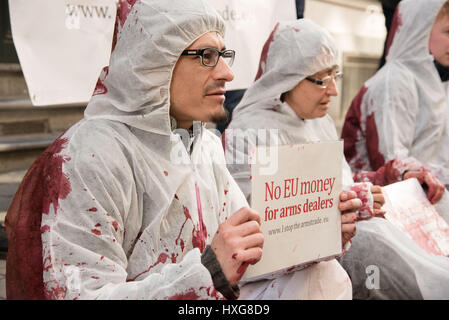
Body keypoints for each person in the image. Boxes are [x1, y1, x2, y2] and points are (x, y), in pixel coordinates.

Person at [4, 0, 356, 300]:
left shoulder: (202, 143)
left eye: (223, 55)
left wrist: (316, 233)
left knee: (324, 276)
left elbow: (246, 250)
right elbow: (78, 293)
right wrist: (206, 274)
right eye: (206, 56)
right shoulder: (89, 156)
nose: (228, 73)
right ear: (154, 62)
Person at [224, 18, 449, 299]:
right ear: (287, 77)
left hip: (341, 241)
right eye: (322, 79)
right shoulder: (252, 132)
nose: (333, 90)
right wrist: (346, 205)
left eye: (335, 76)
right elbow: (269, 222)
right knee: (372, 240)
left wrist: (383, 179)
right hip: (293, 269)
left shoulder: (318, 120)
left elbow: (340, 180)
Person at [341, 0, 449, 188]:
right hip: (377, 199)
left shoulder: (438, 80)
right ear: (419, 30)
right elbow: (392, 166)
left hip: (423, 191)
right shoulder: (393, 83)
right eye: (448, 32)